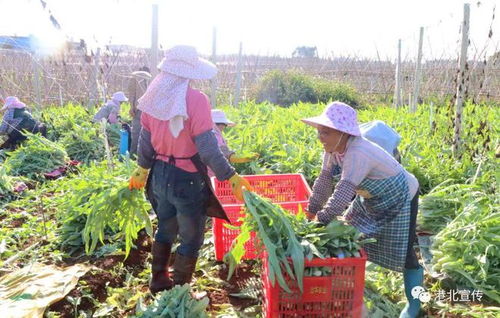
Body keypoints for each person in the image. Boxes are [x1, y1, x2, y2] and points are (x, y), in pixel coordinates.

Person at [128, 45, 252, 295]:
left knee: (165, 228)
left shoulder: (152, 98)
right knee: (191, 237)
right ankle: (181, 289)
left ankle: (159, 280)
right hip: (187, 178)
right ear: (188, 73)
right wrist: (231, 176)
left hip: (160, 174)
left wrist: (142, 169)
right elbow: (206, 147)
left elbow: (144, 140)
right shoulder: (195, 100)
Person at [302, 102, 422, 318]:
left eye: (326, 132)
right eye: (319, 131)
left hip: (402, 196)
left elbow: (342, 193)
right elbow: (324, 179)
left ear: (343, 133)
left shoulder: (358, 152)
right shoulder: (332, 149)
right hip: (372, 197)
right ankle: (351, 287)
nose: (320, 136)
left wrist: (320, 220)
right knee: (352, 237)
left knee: (406, 254)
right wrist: (311, 210)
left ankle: (414, 305)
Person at [208, 109, 259, 177]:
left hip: (215, 173)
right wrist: (241, 158)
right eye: (222, 124)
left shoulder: (213, 135)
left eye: (225, 125)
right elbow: (222, 152)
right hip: (211, 174)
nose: (224, 127)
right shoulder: (213, 135)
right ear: (214, 124)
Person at [128, 66, 152, 155]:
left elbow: (132, 95)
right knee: (148, 134)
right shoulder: (153, 78)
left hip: (139, 109)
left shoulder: (135, 77)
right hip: (151, 110)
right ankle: (145, 156)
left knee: (136, 133)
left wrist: (132, 107)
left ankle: (133, 155)